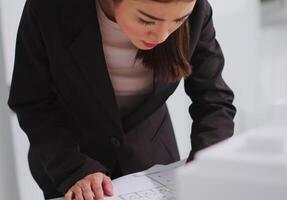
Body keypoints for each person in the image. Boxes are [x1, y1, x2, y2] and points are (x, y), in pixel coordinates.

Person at [8, 0, 236, 199]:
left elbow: (213, 98)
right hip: (70, 162)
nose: (162, 35)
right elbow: (32, 101)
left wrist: (205, 166)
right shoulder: (49, 7)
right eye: (147, 20)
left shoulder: (197, 11)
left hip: (151, 158)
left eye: (178, 21)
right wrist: (74, 168)